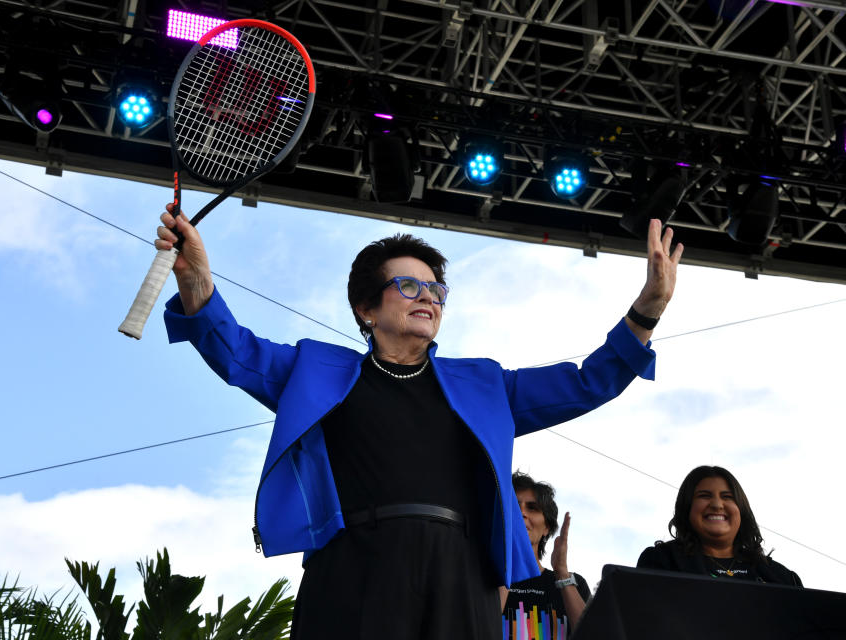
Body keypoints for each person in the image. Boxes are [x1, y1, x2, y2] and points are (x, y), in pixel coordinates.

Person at [155, 205, 683, 640]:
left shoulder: (485, 385)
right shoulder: (315, 371)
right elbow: (236, 353)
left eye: (436, 290)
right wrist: (197, 278)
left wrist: (647, 310)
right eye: (409, 286)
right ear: (366, 307)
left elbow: (587, 381)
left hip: (461, 574)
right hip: (352, 567)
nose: (428, 296)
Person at [637, 465, 802, 586]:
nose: (717, 504)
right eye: (704, 495)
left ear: (741, 510)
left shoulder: (782, 577)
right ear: (687, 508)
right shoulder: (661, 561)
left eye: (728, 497)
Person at [501, 473, 590, 639]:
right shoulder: (482, 580)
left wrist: (562, 573)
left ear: (547, 527)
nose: (521, 513)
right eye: (513, 506)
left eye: (532, 508)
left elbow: (593, 635)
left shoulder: (573, 584)